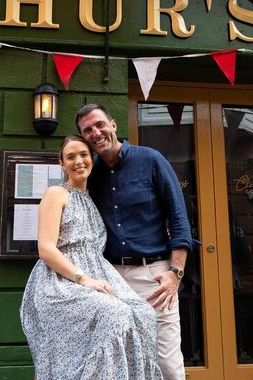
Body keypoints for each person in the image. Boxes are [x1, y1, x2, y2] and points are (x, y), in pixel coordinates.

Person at [20, 135, 163, 380]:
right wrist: (84, 279)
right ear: (61, 164)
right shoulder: (56, 193)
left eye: (84, 155)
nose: (78, 161)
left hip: (98, 273)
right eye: (70, 156)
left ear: (92, 159)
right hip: (60, 282)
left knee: (143, 314)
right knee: (113, 313)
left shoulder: (92, 199)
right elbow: (45, 249)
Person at [76, 104, 194, 380]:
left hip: (154, 276)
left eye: (100, 124)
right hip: (111, 280)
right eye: (88, 130)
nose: (96, 132)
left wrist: (175, 273)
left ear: (113, 125)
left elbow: (179, 219)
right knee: (122, 361)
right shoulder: (90, 176)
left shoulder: (151, 159)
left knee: (166, 362)